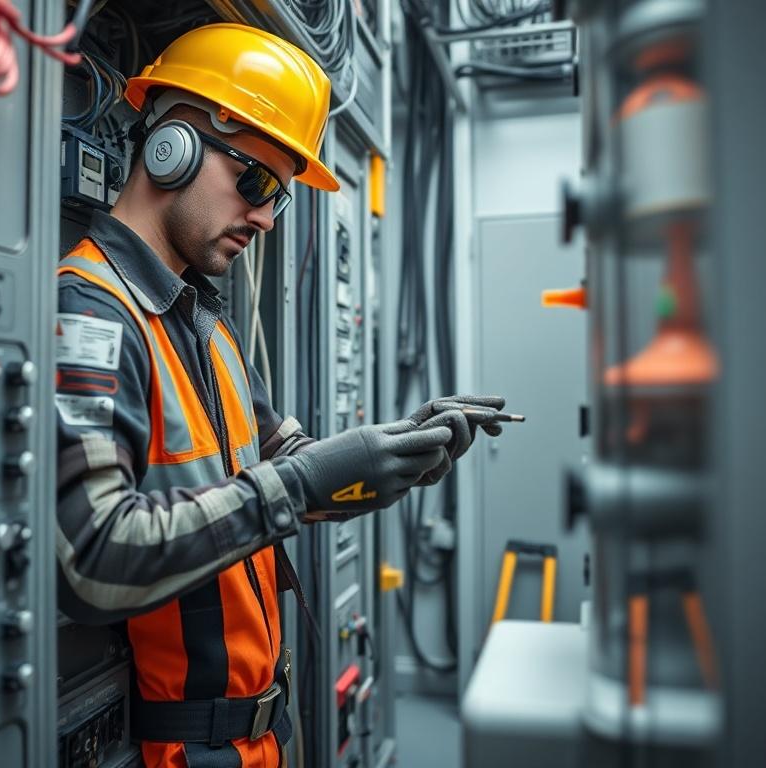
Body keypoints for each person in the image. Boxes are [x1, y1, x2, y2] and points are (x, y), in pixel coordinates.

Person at [54, 23, 505, 768]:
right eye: (256, 182)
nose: (265, 218)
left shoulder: (204, 321)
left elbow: (290, 467)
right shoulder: (94, 311)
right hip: (180, 750)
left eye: (280, 200)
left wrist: (396, 456)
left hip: (262, 738)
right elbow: (97, 556)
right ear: (173, 146)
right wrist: (300, 478)